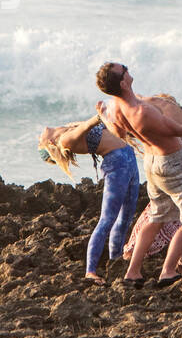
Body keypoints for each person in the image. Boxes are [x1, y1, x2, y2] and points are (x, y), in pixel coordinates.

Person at [95, 62, 182, 288]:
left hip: (151, 163)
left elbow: (118, 133)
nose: (128, 69)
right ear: (122, 82)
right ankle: (168, 271)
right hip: (172, 163)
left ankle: (133, 272)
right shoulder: (143, 110)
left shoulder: (116, 108)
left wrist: (103, 116)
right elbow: (177, 130)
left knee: (158, 215)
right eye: (124, 69)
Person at [117, 93, 182, 277]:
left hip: (172, 158)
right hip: (180, 158)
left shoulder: (152, 106)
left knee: (162, 214)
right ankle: (170, 268)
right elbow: (181, 132)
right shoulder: (148, 105)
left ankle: (138, 269)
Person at [37, 115, 139, 285]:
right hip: (116, 164)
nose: (39, 137)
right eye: (40, 142)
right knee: (107, 219)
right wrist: (101, 114)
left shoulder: (67, 128)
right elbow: (87, 125)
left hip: (128, 159)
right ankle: (90, 271)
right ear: (51, 144)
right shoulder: (65, 140)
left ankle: (116, 262)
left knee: (125, 218)